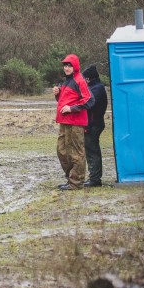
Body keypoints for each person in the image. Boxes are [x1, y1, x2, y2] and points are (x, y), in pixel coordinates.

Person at [52, 55, 94, 190]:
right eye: (65, 65)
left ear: (75, 66)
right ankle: (71, 178)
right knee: (62, 151)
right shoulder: (67, 81)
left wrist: (72, 108)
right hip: (64, 122)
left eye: (69, 65)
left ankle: (76, 183)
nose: (67, 68)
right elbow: (63, 101)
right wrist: (57, 94)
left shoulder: (79, 80)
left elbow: (89, 100)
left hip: (75, 122)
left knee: (76, 153)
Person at [82, 64, 108, 187]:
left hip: (93, 124)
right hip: (95, 123)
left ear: (88, 79)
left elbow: (88, 104)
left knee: (92, 151)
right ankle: (94, 177)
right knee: (92, 150)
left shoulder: (96, 89)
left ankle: (95, 179)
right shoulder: (98, 87)